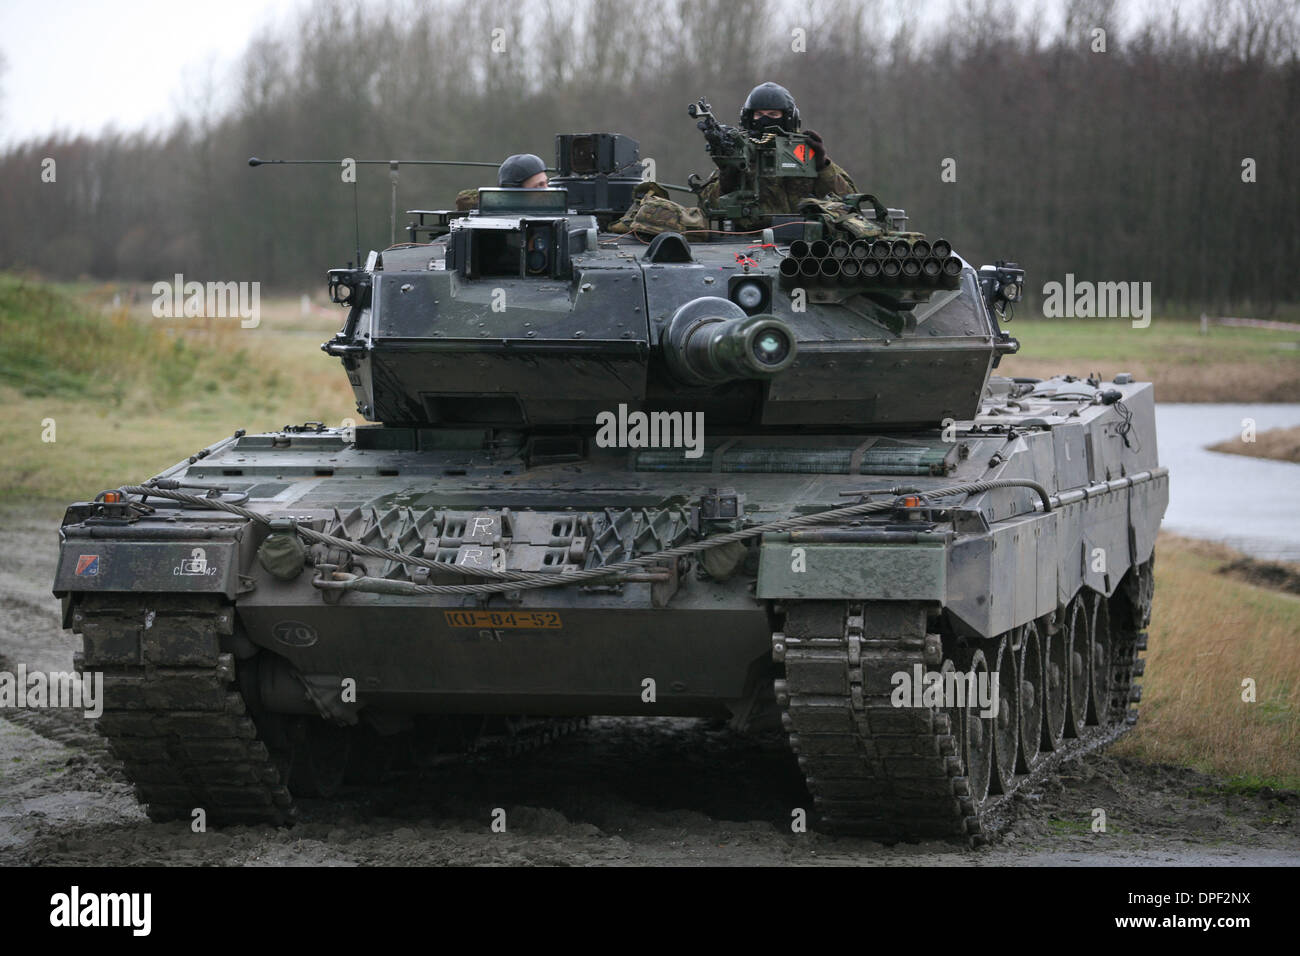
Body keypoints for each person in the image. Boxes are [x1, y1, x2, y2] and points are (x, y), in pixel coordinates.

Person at [697, 82, 856, 229]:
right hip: (749, 240)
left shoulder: (802, 150)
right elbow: (707, 206)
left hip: (804, 239)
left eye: (773, 114)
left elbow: (850, 200)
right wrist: (728, 175)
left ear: (787, 118)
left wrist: (822, 165)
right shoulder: (741, 151)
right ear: (749, 117)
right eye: (759, 114)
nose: (765, 120)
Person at [454, 153, 550, 210]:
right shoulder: (492, 220)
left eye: (547, 183)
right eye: (539, 185)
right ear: (515, 192)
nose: (548, 191)